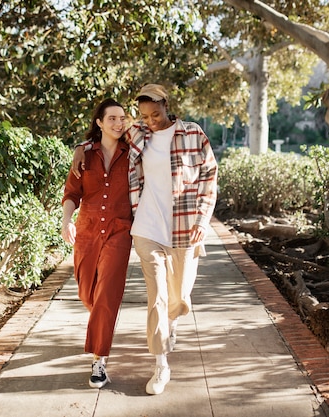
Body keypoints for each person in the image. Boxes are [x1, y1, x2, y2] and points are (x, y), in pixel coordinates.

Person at [71, 84, 218, 395]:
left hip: (184, 228)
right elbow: (104, 136)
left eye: (155, 114)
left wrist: (203, 221)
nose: (150, 121)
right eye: (144, 116)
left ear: (166, 105)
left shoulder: (193, 134)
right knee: (158, 298)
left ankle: (173, 323)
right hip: (146, 227)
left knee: (178, 299)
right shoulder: (138, 132)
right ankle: (161, 364)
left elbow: (209, 177)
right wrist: (81, 147)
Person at [61, 98, 132, 389]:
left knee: (106, 296)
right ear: (99, 123)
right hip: (87, 232)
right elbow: (71, 192)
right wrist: (66, 220)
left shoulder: (133, 153)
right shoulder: (84, 156)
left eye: (122, 118)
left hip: (119, 232)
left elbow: (152, 126)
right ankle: (102, 325)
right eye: (112, 118)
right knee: (87, 294)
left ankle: (99, 360)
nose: (118, 123)